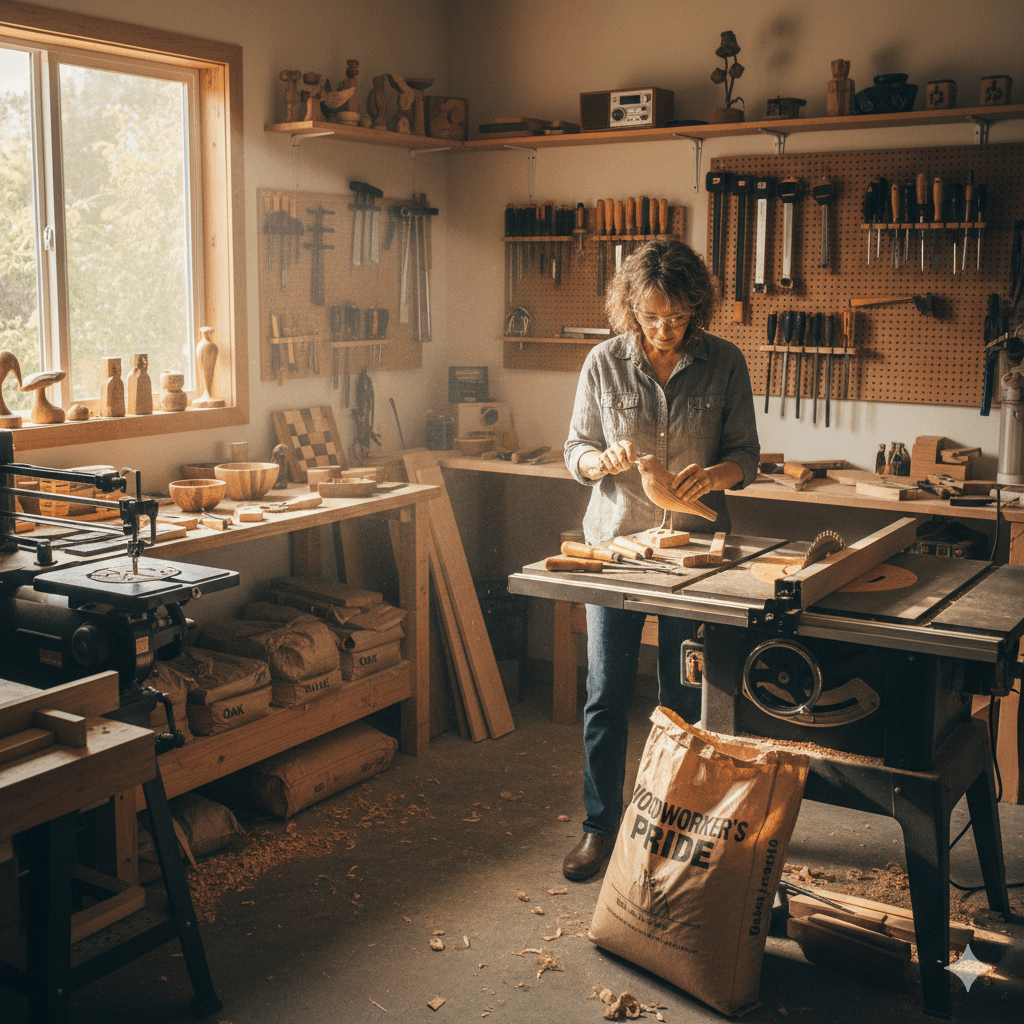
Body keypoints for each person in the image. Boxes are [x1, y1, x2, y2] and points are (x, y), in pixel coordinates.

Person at [561, 238, 760, 882]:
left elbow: (747, 460)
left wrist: (717, 476)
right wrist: (601, 462)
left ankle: (673, 824)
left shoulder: (725, 362)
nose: (664, 329)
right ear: (630, 308)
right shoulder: (602, 362)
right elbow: (576, 452)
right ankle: (600, 827)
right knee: (606, 694)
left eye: (676, 317)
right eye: (651, 317)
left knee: (684, 696)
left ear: (696, 307)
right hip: (616, 547)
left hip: (697, 556)